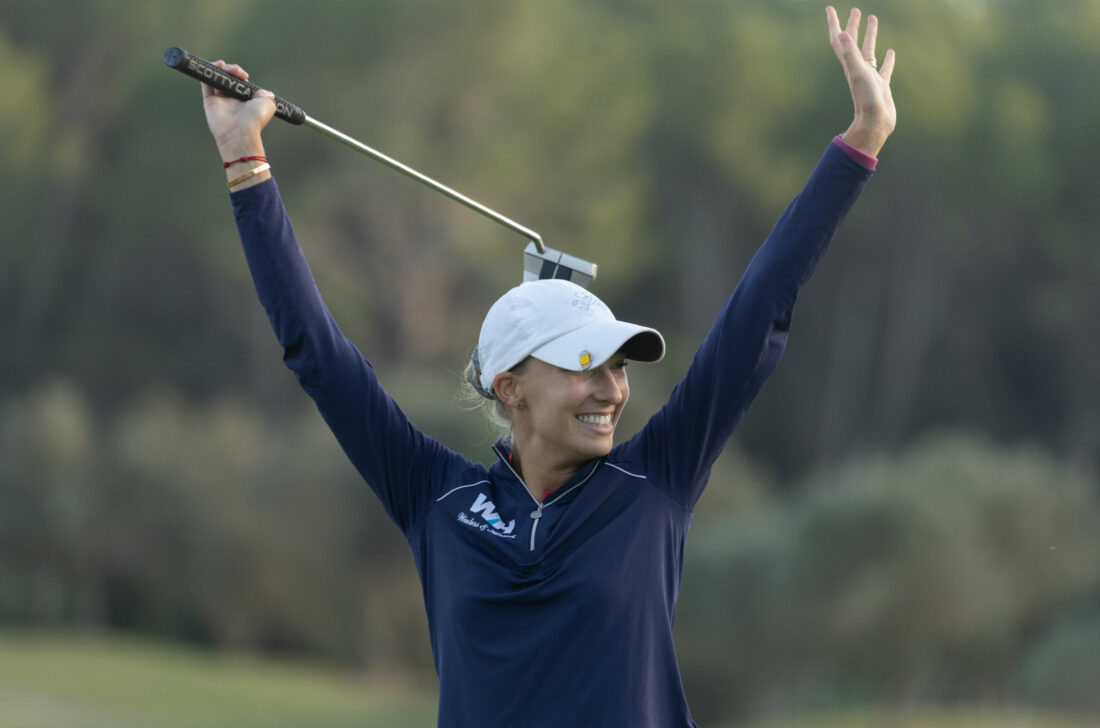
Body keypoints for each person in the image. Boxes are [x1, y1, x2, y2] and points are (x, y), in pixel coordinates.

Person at [199, 6, 894, 727]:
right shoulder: (435, 500)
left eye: (619, 367)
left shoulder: (655, 484)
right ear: (512, 388)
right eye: (583, 366)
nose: (611, 389)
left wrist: (860, 143)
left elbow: (759, 310)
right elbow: (317, 354)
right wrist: (242, 155)